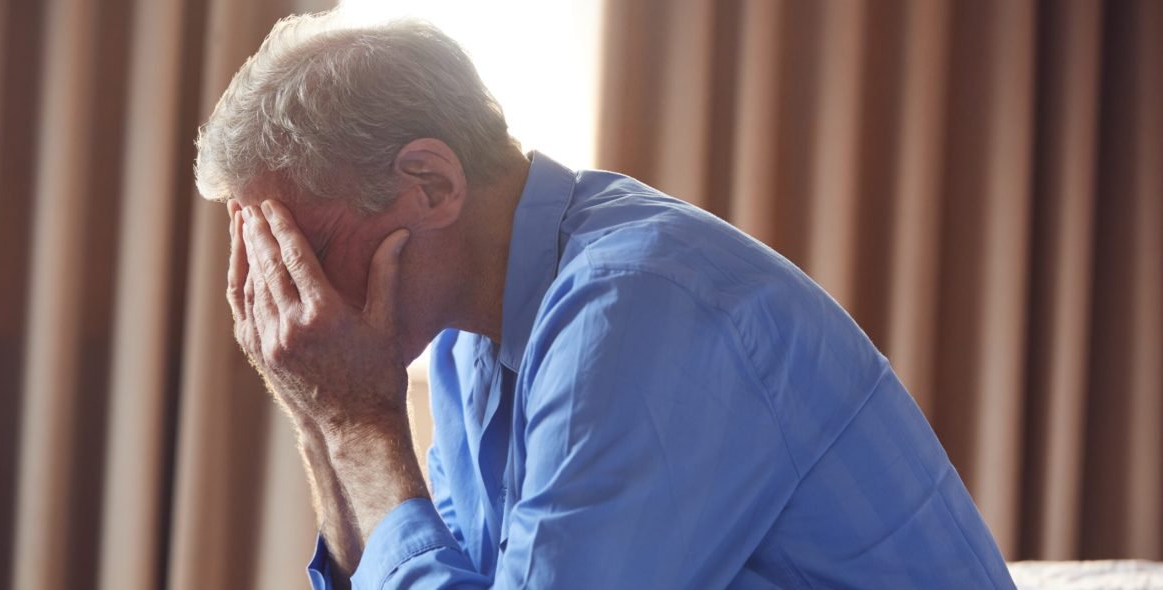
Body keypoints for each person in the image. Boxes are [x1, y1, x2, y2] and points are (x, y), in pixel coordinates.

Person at [194, 10, 1017, 590]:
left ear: (431, 183)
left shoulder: (636, 310)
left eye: (303, 248)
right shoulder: (463, 334)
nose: (290, 301)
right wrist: (315, 414)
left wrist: (355, 422)